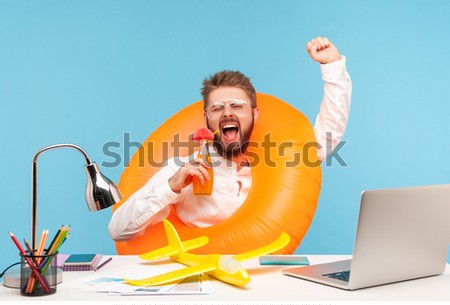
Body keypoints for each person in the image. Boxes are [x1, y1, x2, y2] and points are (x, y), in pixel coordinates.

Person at [109, 36, 352, 242]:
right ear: (206, 118)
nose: (227, 113)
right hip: (199, 277)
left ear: (254, 114)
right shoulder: (184, 167)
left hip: (259, 279)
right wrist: (171, 186)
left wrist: (332, 67)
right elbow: (118, 231)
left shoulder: (278, 161)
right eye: (217, 108)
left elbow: (328, 135)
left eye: (237, 105)